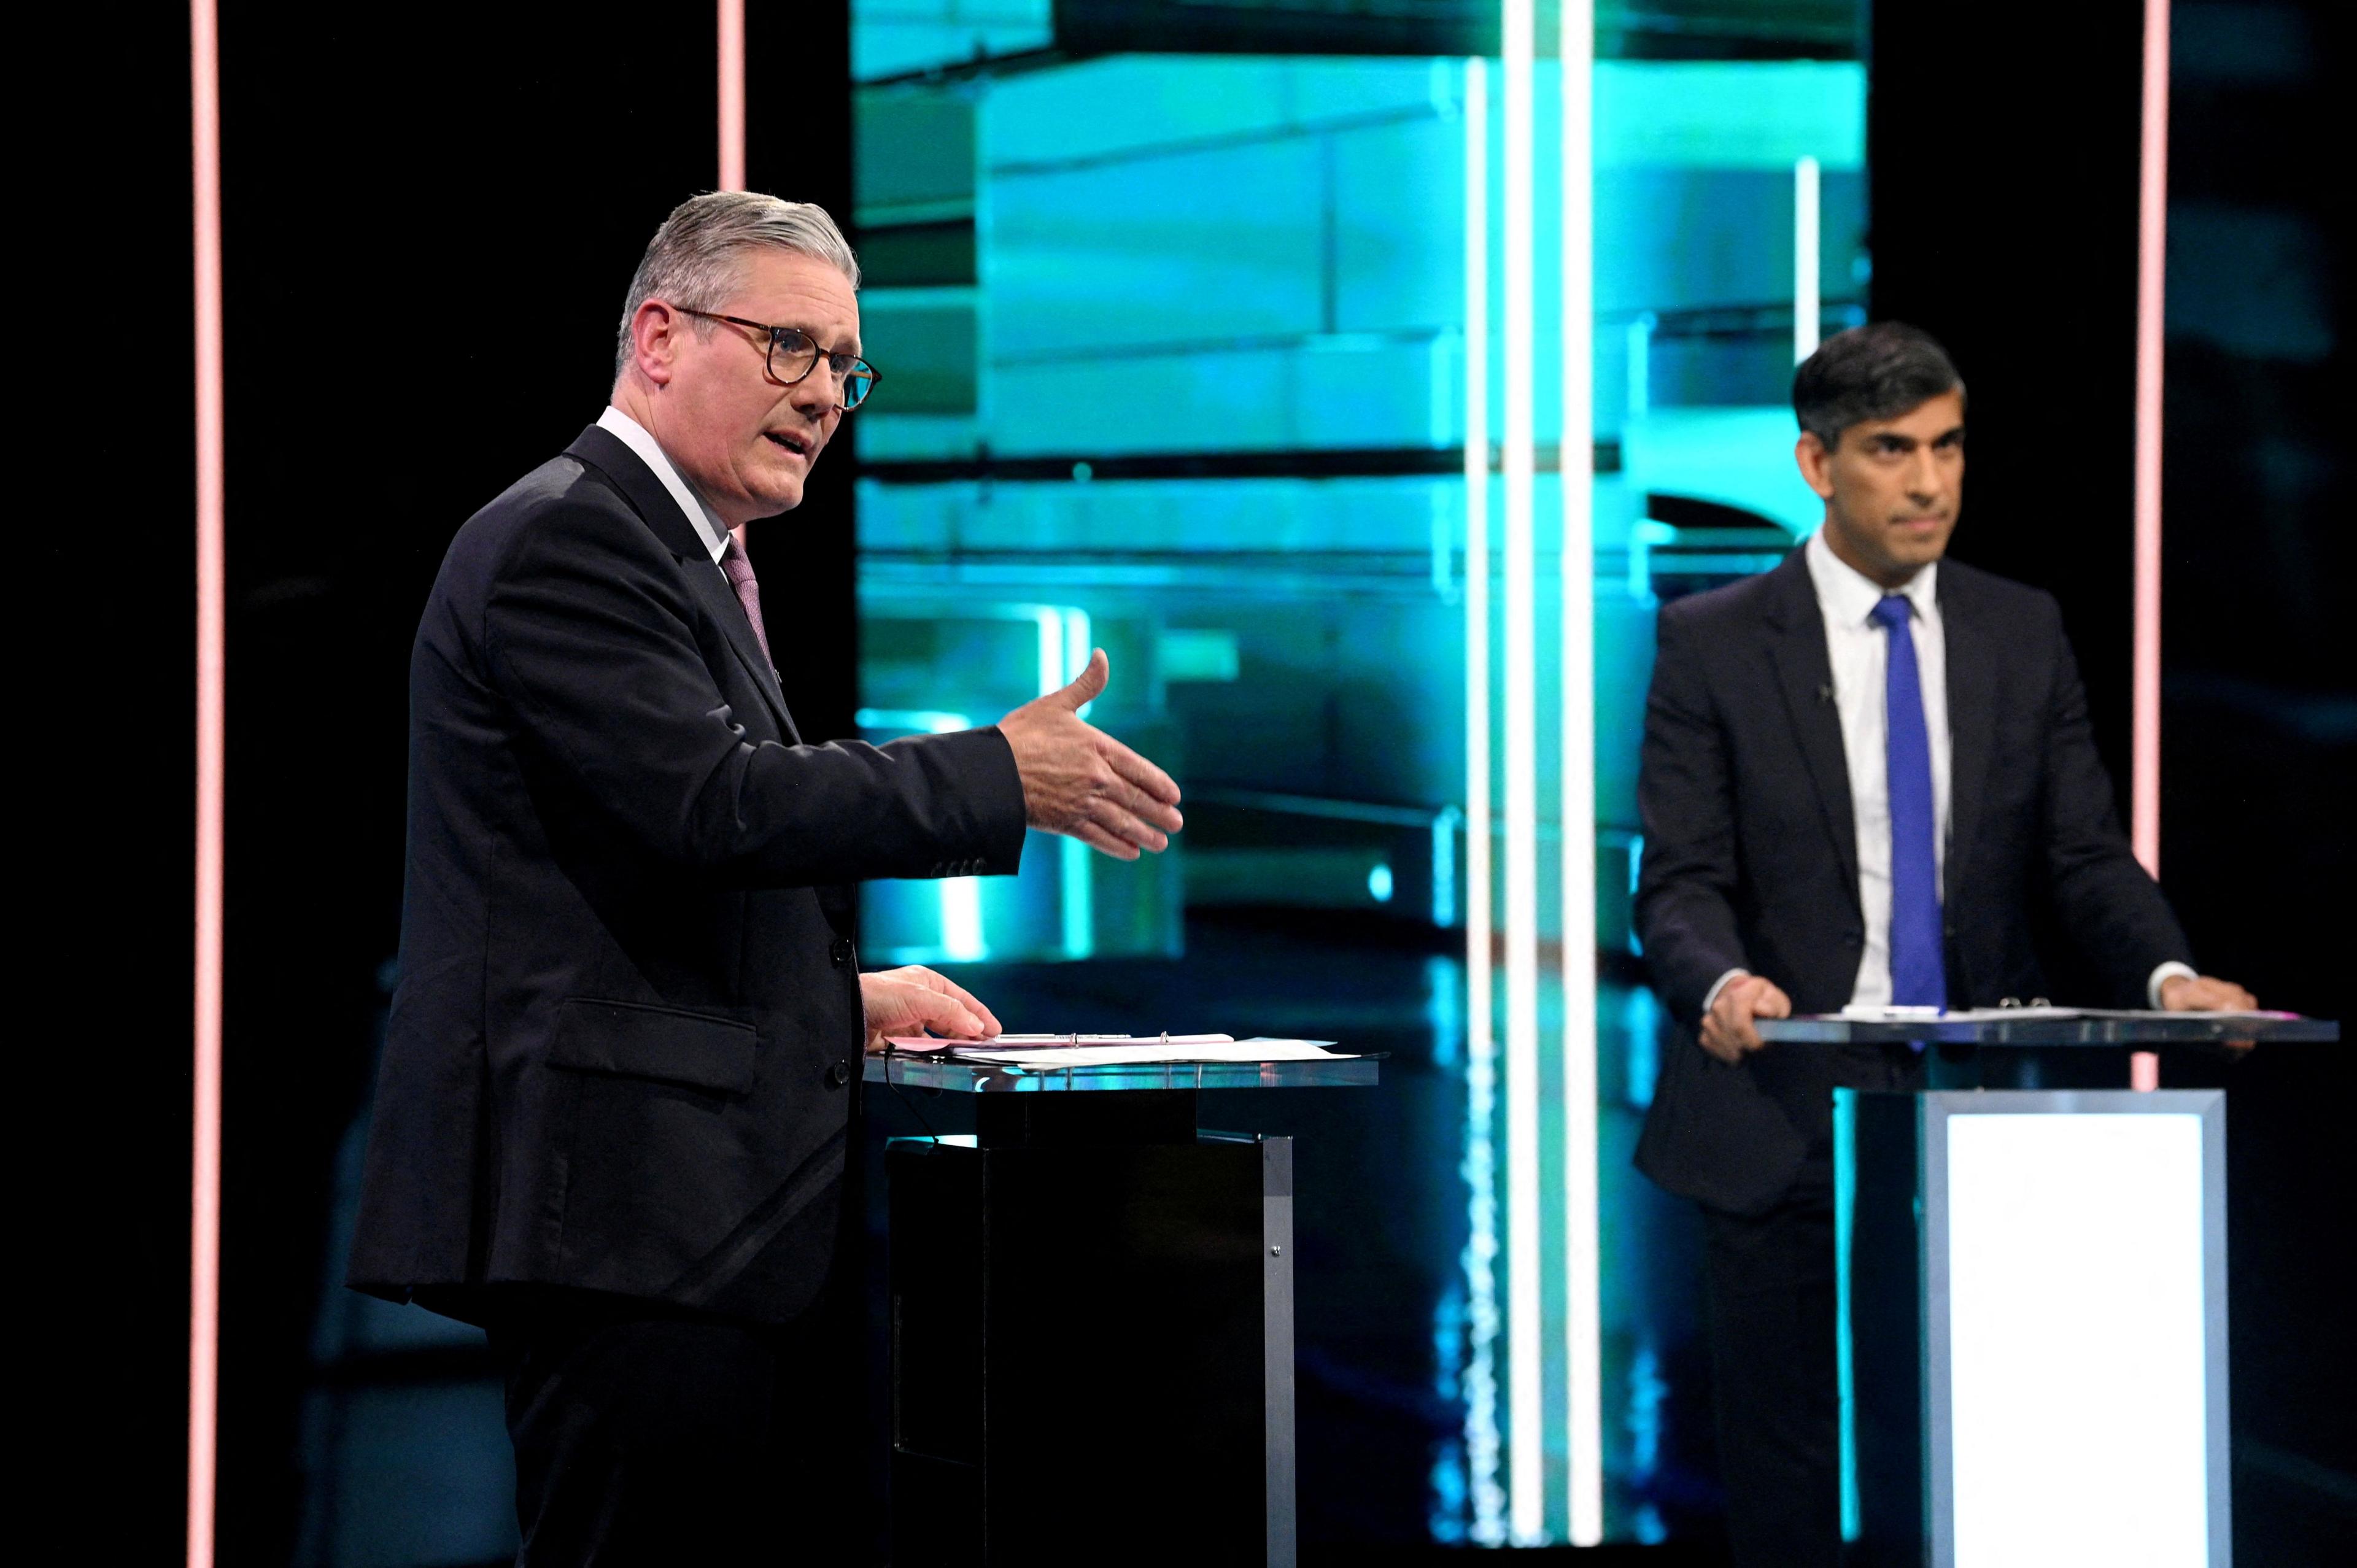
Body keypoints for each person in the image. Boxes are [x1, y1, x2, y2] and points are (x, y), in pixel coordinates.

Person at [346, 191, 1184, 1564]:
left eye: (843, 368)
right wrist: (994, 772)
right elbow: (713, 807)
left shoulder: (687, 554)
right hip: (616, 1209)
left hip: (673, 1214)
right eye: (788, 348)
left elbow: (619, 886)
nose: (824, 397)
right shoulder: (572, 538)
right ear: (659, 336)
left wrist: (837, 998)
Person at [1630, 322, 2254, 1567]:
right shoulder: (1713, 640)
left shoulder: (2019, 630)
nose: (1929, 483)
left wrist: (2169, 976)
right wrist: (1722, 979)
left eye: (1949, 447)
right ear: (1816, 464)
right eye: (1890, 451)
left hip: (1977, 1119)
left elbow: (2081, 855)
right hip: (1783, 1111)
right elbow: (1681, 885)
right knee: (1796, 1480)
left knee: (1980, 1468)